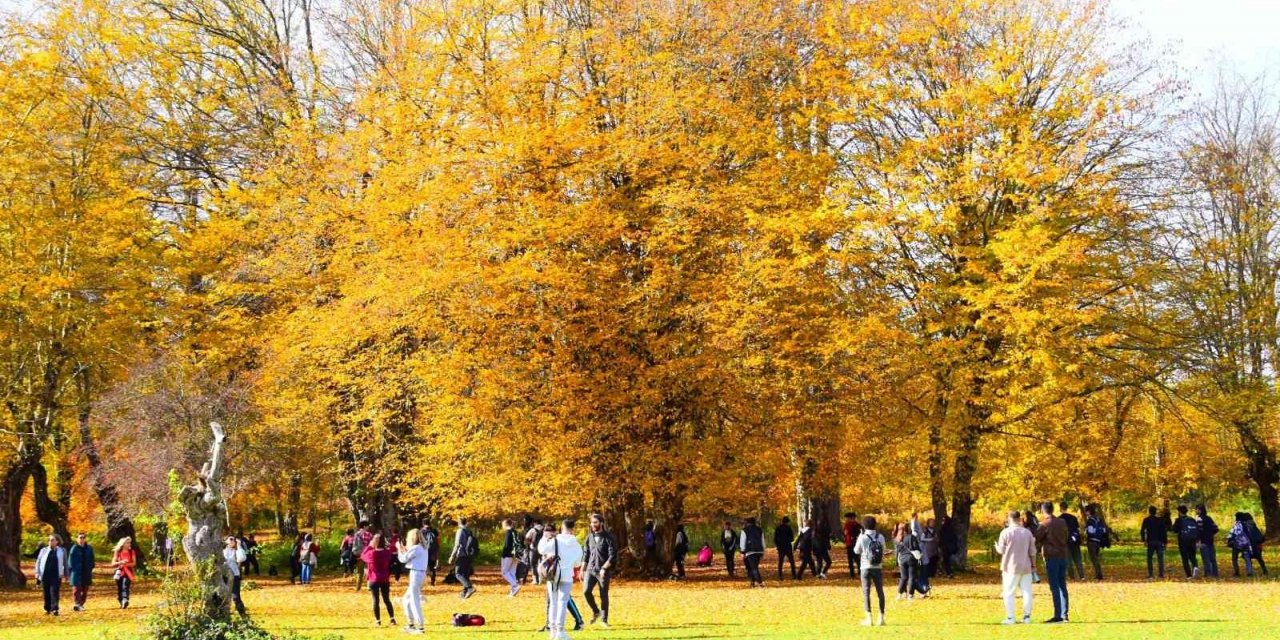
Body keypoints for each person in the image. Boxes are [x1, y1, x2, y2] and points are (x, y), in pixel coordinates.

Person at [538, 518, 584, 640]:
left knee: (553, 602)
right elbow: (577, 563)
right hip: (567, 575)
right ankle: (560, 630)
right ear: (573, 529)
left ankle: (552, 630)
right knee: (563, 602)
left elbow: (541, 550)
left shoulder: (556, 540)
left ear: (562, 527)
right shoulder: (576, 544)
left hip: (554, 575)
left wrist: (544, 537)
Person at [995, 510, 1036, 625]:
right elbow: (1032, 551)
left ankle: (1010, 617)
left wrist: (997, 547)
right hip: (1026, 566)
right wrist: (1034, 565)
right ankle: (1027, 616)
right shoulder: (1027, 533)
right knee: (1027, 592)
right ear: (1019, 519)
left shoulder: (1005, 532)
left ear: (1009, 519)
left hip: (1010, 567)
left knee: (1009, 592)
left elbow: (1001, 550)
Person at [1032, 502, 1069, 623]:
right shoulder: (1062, 522)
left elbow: (1036, 537)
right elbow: (1066, 536)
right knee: (1062, 585)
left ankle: (1057, 615)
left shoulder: (1044, 524)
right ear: (1053, 510)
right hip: (1063, 555)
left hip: (1052, 557)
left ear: (1043, 511)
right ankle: (1065, 614)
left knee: (1054, 586)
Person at [582, 513, 618, 625]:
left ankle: (604, 619)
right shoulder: (589, 537)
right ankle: (596, 611)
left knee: (603, 595)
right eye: (592, 522)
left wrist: (604, 568)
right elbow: (586, 554)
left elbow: (613, 555)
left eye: (595, 522)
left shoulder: (609, 537)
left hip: (603, 571)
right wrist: (582, 570)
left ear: (601, 523)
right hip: (590, 569)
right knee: (586, 592)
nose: (593, 525)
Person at [854, 516, 887, 626]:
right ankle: (881, 618)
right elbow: (884, 550)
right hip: (877, 567)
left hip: (865, 567)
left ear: (864, 525)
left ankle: (869, 618)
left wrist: (860, 536)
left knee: (866, 592)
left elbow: (856, 550)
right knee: (880, 592)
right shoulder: (880, 537)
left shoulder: (862, 537)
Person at [396, 529, 428, 634]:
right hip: (420, 574)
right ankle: (411, 624)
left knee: (414, 601)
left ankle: (420, 627)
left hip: (416, 574)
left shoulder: (416, 548)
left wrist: (398, 549)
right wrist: (403, 549)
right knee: (406, 599)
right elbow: (409, 555)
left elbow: (403, 559)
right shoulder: (423, 547)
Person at [362, 533, 397, 628]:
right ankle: (392, 618)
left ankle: (378, 620)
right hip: (385, 578)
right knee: (386, 599)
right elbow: (391, 553)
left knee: (375, 600)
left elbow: (363, 556)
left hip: (374, 579)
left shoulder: (371, 553)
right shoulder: (387, 553)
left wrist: (369, 546)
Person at [35, 533, 67, 616]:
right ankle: (47, 609)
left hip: (56, 575)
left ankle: (55, 609)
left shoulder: (62, 550)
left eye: (52, 540)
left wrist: (66, 574)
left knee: (54, 591)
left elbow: (65, 563)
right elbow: (38, 562)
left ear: (57, 541)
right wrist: (37, 573)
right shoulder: (44, 550)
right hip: (45, 574)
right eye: (49, 540)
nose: (50, 542)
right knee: (46, 592)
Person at [892, 522, 924, 600]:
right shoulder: (911, 537)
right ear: (908, 528)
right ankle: (910, 595)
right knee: (911, 578)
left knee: (903, 577)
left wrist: (897, 562)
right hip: (911, 559)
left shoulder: (897, 539)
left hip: (902, 559)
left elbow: (897, 551)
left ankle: (899, 594)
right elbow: (916, 547)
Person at [449, 517, 479, 598]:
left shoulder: (460, 531)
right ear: (466, 522)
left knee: (458, 573)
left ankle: (470, 588)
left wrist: (452, 555)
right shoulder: (469, 531)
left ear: (459, 523)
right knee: (464, 574)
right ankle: (464, 593)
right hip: (469, 555)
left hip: (461, 554)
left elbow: (457, 544)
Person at [1140, 505, 1169, 579]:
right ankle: (1161, 574)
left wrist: (1144, 540)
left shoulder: (1146, 520)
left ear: (1149, 512)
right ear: (1155, 512)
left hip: (1150, 541)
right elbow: (1164, 532)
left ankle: (1151, 574)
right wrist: (1165, 542)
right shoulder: (1160, 520)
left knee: (1149, 558)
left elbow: (1142, 531)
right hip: (1159, 541)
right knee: (1160, 558)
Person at [1173, 504, 1201, 578]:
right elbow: (1197, 530)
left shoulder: (1178, 520)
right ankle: (1195, 566)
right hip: (1192, 540)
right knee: (1192, 556)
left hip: (1183, 541)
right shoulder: (1192, 519)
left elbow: (1174, 530)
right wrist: (1197, 540)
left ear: (1179, 512)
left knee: (1185, 558)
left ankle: (1189, 575)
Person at [68, 533, 94, 612]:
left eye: (83, 538)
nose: (82, 539)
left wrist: (90, 567)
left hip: (86, 571)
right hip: (76, 572)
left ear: (85, 539)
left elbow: (92, 560)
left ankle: (81, 603)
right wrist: (72, 570)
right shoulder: (74, 548)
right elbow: (70, 561)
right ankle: (77, 604)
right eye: (80, 538)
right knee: (76, 589)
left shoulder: (89, 548)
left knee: (85, 589)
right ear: (77, 539)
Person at [223, 536, 248, 616]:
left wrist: (239, 545)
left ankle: (243, 615)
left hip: (234, 576)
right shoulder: (221, 551)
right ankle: (223, 615)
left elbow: (241, 559)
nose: (232, 541)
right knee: (221, 596)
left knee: (236, 596)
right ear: (226, 541)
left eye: (234, 540)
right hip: (223, 576)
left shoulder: (236, 551)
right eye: (230, 539)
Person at [1059, 502, 1084, 580]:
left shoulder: (1059, 519)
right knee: (1078, 559)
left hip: (1066, 542)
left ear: (1060, 508)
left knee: (1068, 560)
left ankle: (1072, 576)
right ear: (1067, 507)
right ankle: (1082, 575)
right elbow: (1078, 529)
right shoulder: (1073, 517)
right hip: (1075, 541)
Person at [1083, 504, 1108, 580]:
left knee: (1094, 559)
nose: (1085, 513)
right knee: (1096, 558)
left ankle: (1098, 575)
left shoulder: (1090, 520)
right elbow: (1104, 530)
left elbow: (1090, 531)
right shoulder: (1099, 519)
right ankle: (1098, 574)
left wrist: (1086, 533)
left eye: (1086, 511)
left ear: (1089, 512)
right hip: (1098, 541)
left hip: (1091, 541)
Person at [110, 537, 136, 609]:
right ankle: (121, 601)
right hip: (119, 572)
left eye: (129, 542)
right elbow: (113, 563)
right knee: (120, 587)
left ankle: (125, 599)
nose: (129, 544)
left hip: (128, 572)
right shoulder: (118, 552)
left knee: (125, 585)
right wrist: (120, 562)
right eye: (127, 543)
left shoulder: (131, 552)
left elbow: (134, 563)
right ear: (123, 544)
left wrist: (126, 564)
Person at [740, 517, 766, 588]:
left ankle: (760, 583)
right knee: (753, 567)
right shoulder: (760, 530)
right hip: (759, 550)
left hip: (750, 551)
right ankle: (752, 583)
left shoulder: (745, 530)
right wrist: (763, 550)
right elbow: (762, 541)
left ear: (747, 522)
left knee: (753, 568)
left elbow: (743, 541)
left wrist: (742, 551)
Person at [1194, 504, 1219, 578]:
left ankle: (1208, 574)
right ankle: (1215, 573)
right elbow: (1216, 529)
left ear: (1200, 510)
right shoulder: (1209, 518)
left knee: (1206, 559)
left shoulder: (1199, 519)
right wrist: (1210, 534)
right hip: (1210, 540)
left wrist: (1197, 540)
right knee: (1212, 559)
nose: (1196, 511)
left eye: (1196, 509)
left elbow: (1198, 531)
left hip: (1203, 541)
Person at [501, 519, 523, 596]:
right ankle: (513, 591)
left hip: (508, 555)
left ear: (505, 524)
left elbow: (507, 545)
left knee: (504, 572)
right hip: (516, 555)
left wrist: (504, 555)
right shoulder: (516, 532)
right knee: (512, 572)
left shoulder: (508, 532)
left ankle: (515, 586)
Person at [353, 521, 374, 591]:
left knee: (359, 571)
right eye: (367, 526)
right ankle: (369, 586)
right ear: (364, 526)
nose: (368, 527)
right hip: (367, 554)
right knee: (368, 570)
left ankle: (358, 587)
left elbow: (354, 545)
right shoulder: (369, 534)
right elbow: (372, 545)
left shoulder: (356, 534)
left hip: (359, 554)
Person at [523, 517, 544, 585]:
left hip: (533, 549)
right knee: (541, 564)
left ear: (535, 523)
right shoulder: (545, 529)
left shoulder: (533, 530)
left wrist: (530, 543)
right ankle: (542, 579)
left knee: (533, 564)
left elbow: (527, 538)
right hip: (543, 550)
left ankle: (535, 580)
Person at [842, 513, 862, 579]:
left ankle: (852, 574)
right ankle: (860, 572)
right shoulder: (858, 524)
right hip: (857, 543)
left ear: (850, 518)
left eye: (847, 518)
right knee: (857, 559)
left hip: (850, 543)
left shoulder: (847, 524)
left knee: (850, 560)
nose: (846, 519)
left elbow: (845, 533)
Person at [423, 522, 441, 586]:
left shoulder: (422, 531)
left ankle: (424, 580)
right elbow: (438, 540)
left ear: (423, 524)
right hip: (433, 551)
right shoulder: (434, 531)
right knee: (433, 567)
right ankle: (432, 582)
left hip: (425, 551)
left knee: (425, 566)